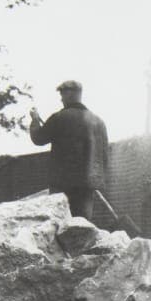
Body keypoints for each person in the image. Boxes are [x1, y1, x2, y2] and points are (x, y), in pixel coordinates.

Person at [28, 79, 110, 219]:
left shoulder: (59, 118)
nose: (61, 99)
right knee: (82, 225)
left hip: (62, 184)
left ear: (71, 95)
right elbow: (104, 156)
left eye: (62, 94)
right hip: (87, 185)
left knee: (60, 224)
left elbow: (38, 138)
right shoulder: (99, 122)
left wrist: (35, 120)